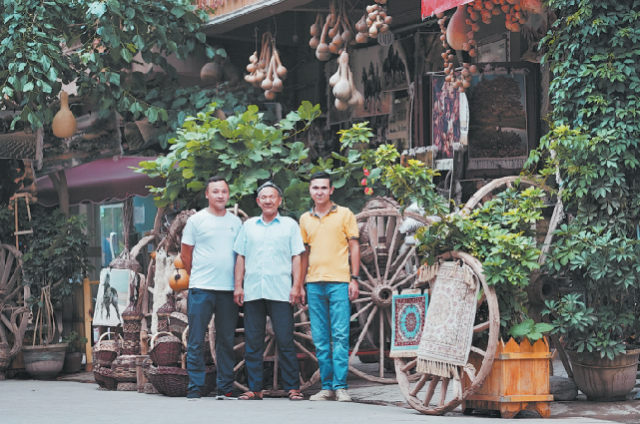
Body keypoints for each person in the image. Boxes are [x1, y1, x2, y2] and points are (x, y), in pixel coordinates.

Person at [233, 182, 306, 401]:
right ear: (258, 201)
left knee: (285, 340)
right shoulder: (248, 227)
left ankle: (292, 387)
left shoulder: (290, 226)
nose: (268, 200)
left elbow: (297, 257)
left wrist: (296, 285)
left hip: (281, 291)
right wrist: (238, 285)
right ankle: (255, 388)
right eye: (263, 197)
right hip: (254, 291)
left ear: (279, 201)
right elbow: (241, 257)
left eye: (272, 197)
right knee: (253, 342)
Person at [299, 171, 360, 402]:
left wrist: (354, 278)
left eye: (324, 188)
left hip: (339, 282)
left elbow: (354, 247)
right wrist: (301, 283)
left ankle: (341, 387)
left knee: (341, 335)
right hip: (314, 284)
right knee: (321, 338)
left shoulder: (344, 214)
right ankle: (326, 387)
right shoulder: (305, 219)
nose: (320, 192)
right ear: (310, 190)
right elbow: (304, 254)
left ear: (331, 190)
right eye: (316, 188)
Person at [181, 176, 242, 401]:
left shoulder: (235, 222)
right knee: (196, 339)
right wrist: (197, 274)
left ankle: (225, 386)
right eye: (215, 191)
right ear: (207, 194)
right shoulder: (196, 221)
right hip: (201, 288)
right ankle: (195, 386)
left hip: (228, 290)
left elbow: (240, 256)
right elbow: (186, 254)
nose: (220, 195)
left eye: (224, 191)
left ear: (228, 194)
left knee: (226, 339)